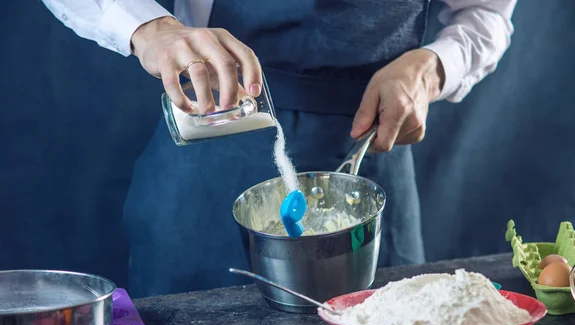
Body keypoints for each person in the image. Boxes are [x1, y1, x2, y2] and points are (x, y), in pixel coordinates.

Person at [41, 0, 517, 297]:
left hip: (369, 152)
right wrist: (150, 28)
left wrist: (433, 67)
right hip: (211, 145)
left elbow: (486, 14)